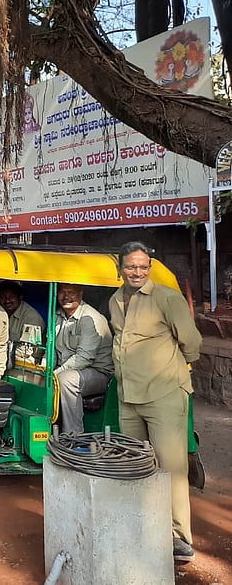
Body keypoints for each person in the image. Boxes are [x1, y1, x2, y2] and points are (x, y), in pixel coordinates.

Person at [109, 241, 202, 563]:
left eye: (143, 266)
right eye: (131, 266)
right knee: (134, 464)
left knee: (171, 468)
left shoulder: (167, 298)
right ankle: (143, 526)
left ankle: (178, 538)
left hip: (164, 394)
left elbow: (191, 342)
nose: (138, 272)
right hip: (128, 396)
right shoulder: (114, 300)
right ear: (120, 268)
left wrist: (172, 370)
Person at [53, 283, 113, 434]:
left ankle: (73, 435)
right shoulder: (57, 316)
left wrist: (54, 375)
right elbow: (51, 350)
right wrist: (43, 371)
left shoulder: (91, 318)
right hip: (66, 369)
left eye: (71, 293)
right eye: (62, 292)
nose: (66, 297)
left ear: (81, 294)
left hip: (98, 373)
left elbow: (84, 358)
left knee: (66, 380)